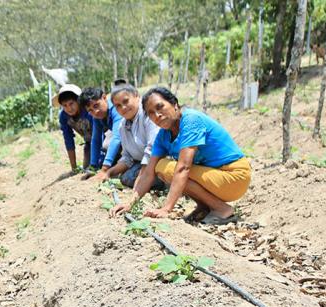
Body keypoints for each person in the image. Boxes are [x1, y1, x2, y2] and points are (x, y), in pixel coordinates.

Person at [111, 87, 252, 225]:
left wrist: (166, 209)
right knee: (159, 167)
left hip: (234, 177)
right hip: (215, 178)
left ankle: (222, 209)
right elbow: (148, 172)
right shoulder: (163, 136)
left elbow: (183, 168)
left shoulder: (191, 120)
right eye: (151, 113)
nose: (157, 115)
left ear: (175, 104)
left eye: (160, 107)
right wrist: (130, 203)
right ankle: (204, 207)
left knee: (168, 168)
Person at [94, 83, 165, 190]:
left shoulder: (148, 115)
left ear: (136, 96)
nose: (123, 107)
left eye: (126, 101)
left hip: (160, 161)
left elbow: (153, 149)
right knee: (126, 177)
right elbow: (127, 157)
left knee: (131, 177)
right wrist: (109, 172)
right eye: (118, 106)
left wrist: (141, 178)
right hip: (143, 163)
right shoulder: (123, 125)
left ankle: (163, 183)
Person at [79, 87, 123, 175]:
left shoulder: (116, 108)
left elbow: (117, 137)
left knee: (108, 144)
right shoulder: (97, 117)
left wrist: (105, 167)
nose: (95, 112)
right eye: (90, 110)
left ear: (104, 97)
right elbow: (96, 139)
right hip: (125, 138)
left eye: (96, 105)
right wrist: (93, 165)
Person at [53, 83, 93, 173]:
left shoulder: (88, 109)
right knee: (87, 168)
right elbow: (68, 139)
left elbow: (99, 133)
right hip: (90, 142)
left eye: (71, 104)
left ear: (78, 101)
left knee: (99, 161)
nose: (69, 108)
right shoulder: (64, 117)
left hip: (105, 136)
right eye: (65, 105)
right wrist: (74, 168)